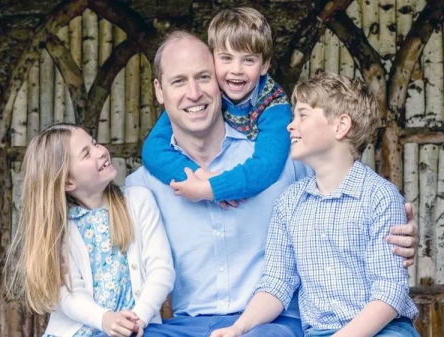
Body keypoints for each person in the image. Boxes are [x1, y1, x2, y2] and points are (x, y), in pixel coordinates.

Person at [125, 31, 419, 337]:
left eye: (203, 77)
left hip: (274, 323)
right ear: (159, 90)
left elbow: (345, 190)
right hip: (187, 324)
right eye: (178, 82)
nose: (194, 92)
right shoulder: (142, 187)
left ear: (221, 82)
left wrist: (397, 235)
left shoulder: (283, 161)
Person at [211, 73, 419, 337]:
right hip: (320, 331)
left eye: (302, 116)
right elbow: (277, 283)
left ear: (340, 125)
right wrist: (239, 327)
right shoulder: (289, 202)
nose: (290, 125)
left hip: (385, 329)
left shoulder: (379, 197)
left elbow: (390, 291)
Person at [3, 124, 175, 337]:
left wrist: (139, 317)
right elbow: (67, 294)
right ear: (68, 181)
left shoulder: (139, 201)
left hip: (138, 329)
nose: (101, 151)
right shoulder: (59, 228)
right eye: (87, 153)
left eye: (94, 143)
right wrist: (105, 319)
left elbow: (161, 269)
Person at [141, 7, 291, 205]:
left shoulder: (275, 105)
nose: (236, 70)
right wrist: (198, 176)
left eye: (248, 60)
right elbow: (153, 150)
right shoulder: (209, 91)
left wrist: (214, 188)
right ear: (212, 59)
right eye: (226, 58)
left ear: (264, 66)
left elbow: (267, 166)